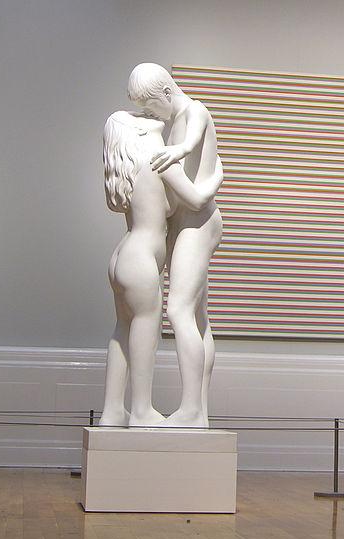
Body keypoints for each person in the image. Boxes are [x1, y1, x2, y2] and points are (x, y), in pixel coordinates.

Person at [100, 111, 223, 427]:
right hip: (142, 260)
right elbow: (196, 200)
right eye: (140, 117)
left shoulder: (125, 169)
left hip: (122, 255)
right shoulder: (159, 159)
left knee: (122, 330)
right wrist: (217, 176)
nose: (149, 115)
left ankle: (112, 410)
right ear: (138, 133)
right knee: (144, 330)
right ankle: (142, 411)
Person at [127, 63, 223, 427]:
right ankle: (199, 410)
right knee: (197, 318)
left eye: (151, 107)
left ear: (166, 92)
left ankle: (192, 409)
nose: (151, 115)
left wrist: (181, 151)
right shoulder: (172, 120)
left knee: (178, 310)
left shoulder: (193, 109)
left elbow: (194, 138)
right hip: (190, 221)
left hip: (198, 223)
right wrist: (215, 175)